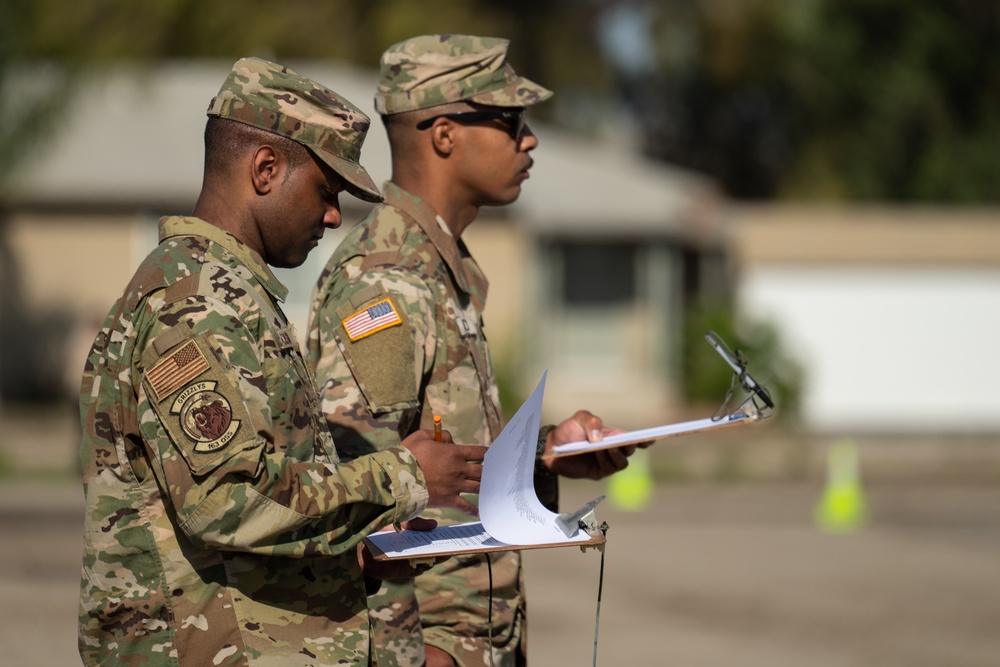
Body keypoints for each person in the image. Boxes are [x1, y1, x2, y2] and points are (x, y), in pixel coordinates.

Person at [77, 57, 485, 667]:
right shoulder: (192, 302)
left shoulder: (230, 294)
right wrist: (402, 475)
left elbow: (249, 509)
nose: (332, 217)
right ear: (265, 169)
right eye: (326, 191)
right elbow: (226, 500)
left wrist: (354, 551)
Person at [307, 35, 637, 667]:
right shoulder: (384, 280)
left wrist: (547, 454)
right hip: (434, 647)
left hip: (481, 642)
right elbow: (359, 496)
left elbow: (440, 465)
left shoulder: (437, 267)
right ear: (444, 134)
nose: (529, 140)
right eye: (511, 121)